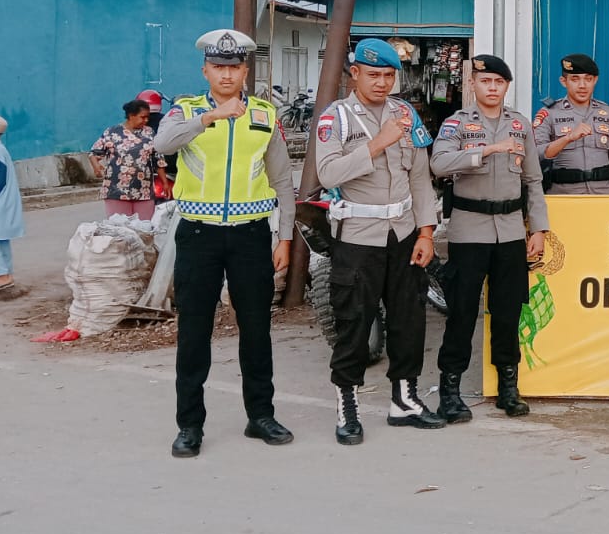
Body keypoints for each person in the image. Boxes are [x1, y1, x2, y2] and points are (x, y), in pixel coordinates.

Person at [151, 30, 296, 458]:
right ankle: (190, 425)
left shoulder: (266, 115)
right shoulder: (186, 110)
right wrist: (211, 118)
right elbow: (162, 145)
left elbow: (282, 180)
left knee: (256, 329)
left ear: (245, 71)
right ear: (206, 71)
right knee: (193, 331)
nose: (227, 74)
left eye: (235, 67)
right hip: (199, 234)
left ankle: (261, 416)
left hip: (251, 234)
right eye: (219, 67)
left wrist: (284, 236)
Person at [314, 37, 444, 445]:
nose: (382, 82)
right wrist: (377, 143)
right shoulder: (336, 119)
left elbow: (420, 177)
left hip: (404, 233)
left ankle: (404, 400)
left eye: (389, 75)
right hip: (357, 237)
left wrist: (426, 231)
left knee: (410, 319)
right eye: (374, 75)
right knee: (353, 321)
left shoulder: (405, 114)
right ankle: (347, 404)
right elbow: (328, 175)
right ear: (355, 74)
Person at [429, 54, 550, 423]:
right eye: (486, 83)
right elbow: (439, 163)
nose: (492, 89)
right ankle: (450, 391)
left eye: (498, 83)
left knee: (509, 310)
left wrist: (539, 229)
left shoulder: (520, 124)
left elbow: (532, 180)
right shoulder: (457, 124)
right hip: (470, 230)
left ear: (506, 87)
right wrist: (486, 151)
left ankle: (508, 388)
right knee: (462, 312)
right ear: (474, 86)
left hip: (511, 230)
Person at [533, 53, 609, 196]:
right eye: (575, 79)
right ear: (563, 81)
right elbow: (535, 154)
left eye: (588, 79)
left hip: (604, 194)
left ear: (595, 80)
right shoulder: (549, 113)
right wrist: (567, 138)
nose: (582, 85)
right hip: (564, 195)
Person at [89, 98, 164, 221]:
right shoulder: (112, 132)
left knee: (144, 229)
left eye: (147, 117)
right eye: (142, 117)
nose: (146, 120)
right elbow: (94, 152)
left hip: (143, 190)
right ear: (131, 116)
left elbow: (158, 159)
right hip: (116, 190)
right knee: (121, 230)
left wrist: (164, 182)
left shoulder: (149, 133)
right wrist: (96, 167)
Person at [0, 115, 22, 301]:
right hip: (3, 204)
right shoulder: (1, 149)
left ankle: (2, 278)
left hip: (0, 202)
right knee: (2, 242)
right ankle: (7, 277)